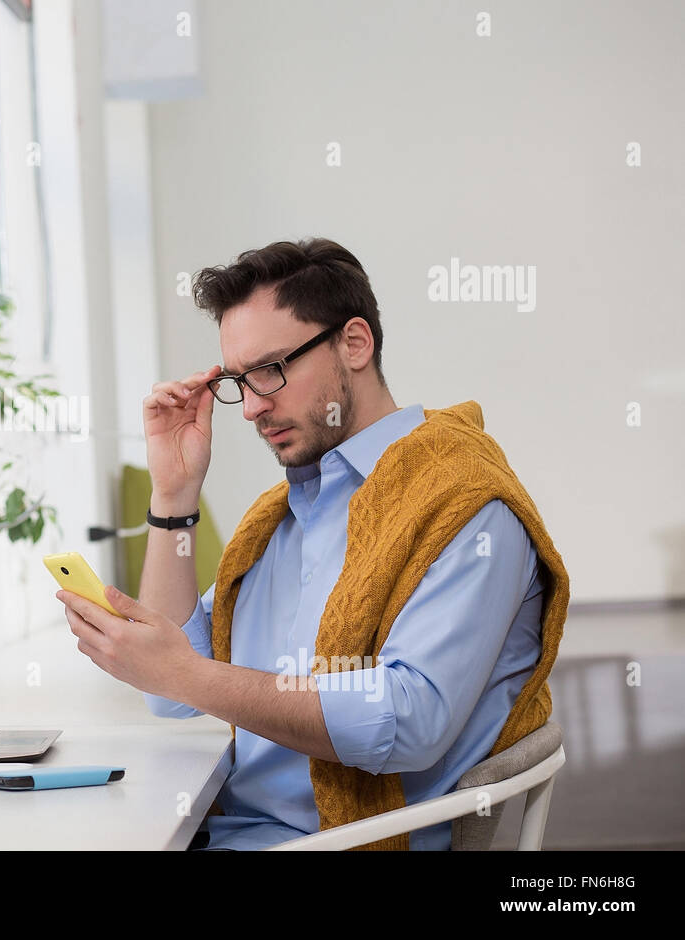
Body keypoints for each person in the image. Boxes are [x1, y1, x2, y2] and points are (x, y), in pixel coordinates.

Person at [55, 238, 568, 850]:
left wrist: (188, 676)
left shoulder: (465, 503)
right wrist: (173, 497)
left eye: (271, 370)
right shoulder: (282, 518)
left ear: (354, 343)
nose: (250, 407)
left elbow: (410, 721)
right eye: (238, 382)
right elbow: (174, 696)